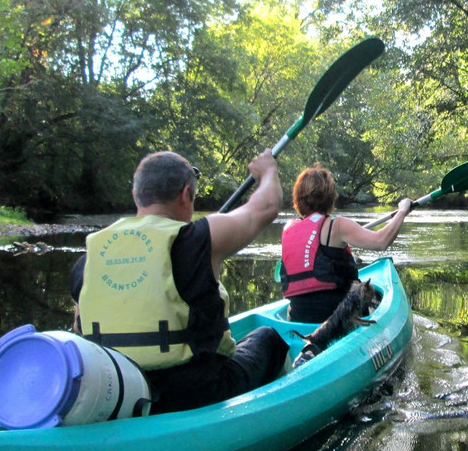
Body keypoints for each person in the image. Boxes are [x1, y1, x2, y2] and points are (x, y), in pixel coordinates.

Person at [71, 149, 288, 414]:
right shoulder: (195, 238)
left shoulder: (90, 256)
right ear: (186, 194)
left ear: (136, 195)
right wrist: (268, 171)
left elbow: (80, 329)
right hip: (197, 396)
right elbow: (265, 207)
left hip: (118, 396)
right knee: (270, 338)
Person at [281, 164, 413, 323]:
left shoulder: (289, 228)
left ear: (298, 198)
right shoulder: (337, 225)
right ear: (330, 196)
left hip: (298, 316)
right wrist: (402, 212)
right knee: (364, 293)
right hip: (337, 318)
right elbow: (381, 241)